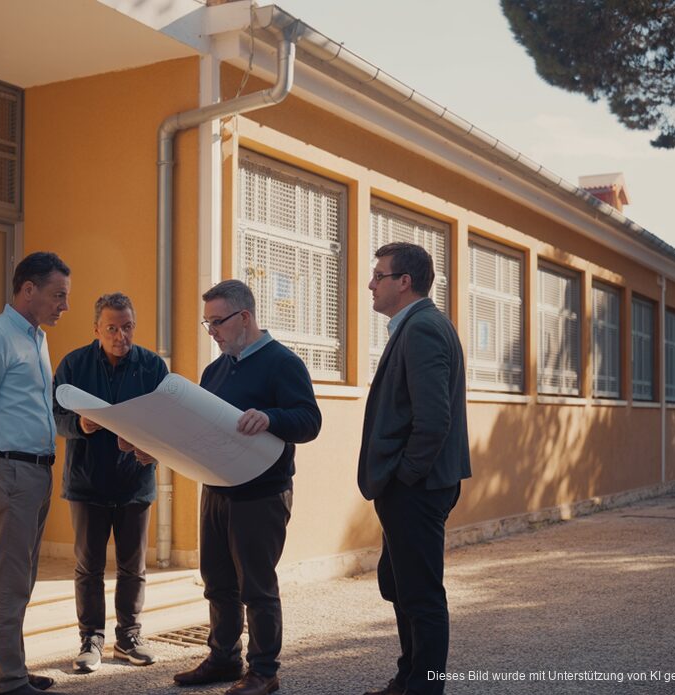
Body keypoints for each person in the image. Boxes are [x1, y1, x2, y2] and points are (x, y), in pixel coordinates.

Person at [172, 279, 322, 695]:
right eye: (208, 324)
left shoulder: (283, 363)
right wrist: (159, 446)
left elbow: (309, 421)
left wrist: (271, 417)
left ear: (245, 317)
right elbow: (201, 427)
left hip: (262, 494)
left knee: (256, 585)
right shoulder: (215, 370)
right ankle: (224, 659)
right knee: (217, 581)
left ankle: (263, 671)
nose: (212, 332)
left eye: (217, 322)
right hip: (217, 490)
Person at [358, 242, 471, 695]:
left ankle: (425, 688)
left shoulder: (422, 328)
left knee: (421, 595)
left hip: (417, 487)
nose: (371, 283)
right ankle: (409, 678)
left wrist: (405, 476)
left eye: (378, 275)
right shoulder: (415, 326)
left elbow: (434, 419)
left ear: (403, 282)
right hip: (412, 485)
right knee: (400, 584)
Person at [0, 252, 71, 695]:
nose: (64, 305)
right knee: (10, 579)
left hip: (37, 472)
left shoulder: (37, 338)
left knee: (22, 578)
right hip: (10, 470)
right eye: (58, 295)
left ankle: (6, 672)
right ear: (29, 290)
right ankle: (7, 681)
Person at [52, 292, 168, 672]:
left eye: (128, 327)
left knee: (133, 566)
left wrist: (153, 447)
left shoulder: (152, 366)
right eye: (113, 328)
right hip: (87, 485)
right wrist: (79, 425)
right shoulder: (74, 364)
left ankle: (129, 638)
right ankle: (90, 641)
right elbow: (53, 415)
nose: (122, 336)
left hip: (136, 484)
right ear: (97, 329)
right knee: (89, 568)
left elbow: (169, 420)